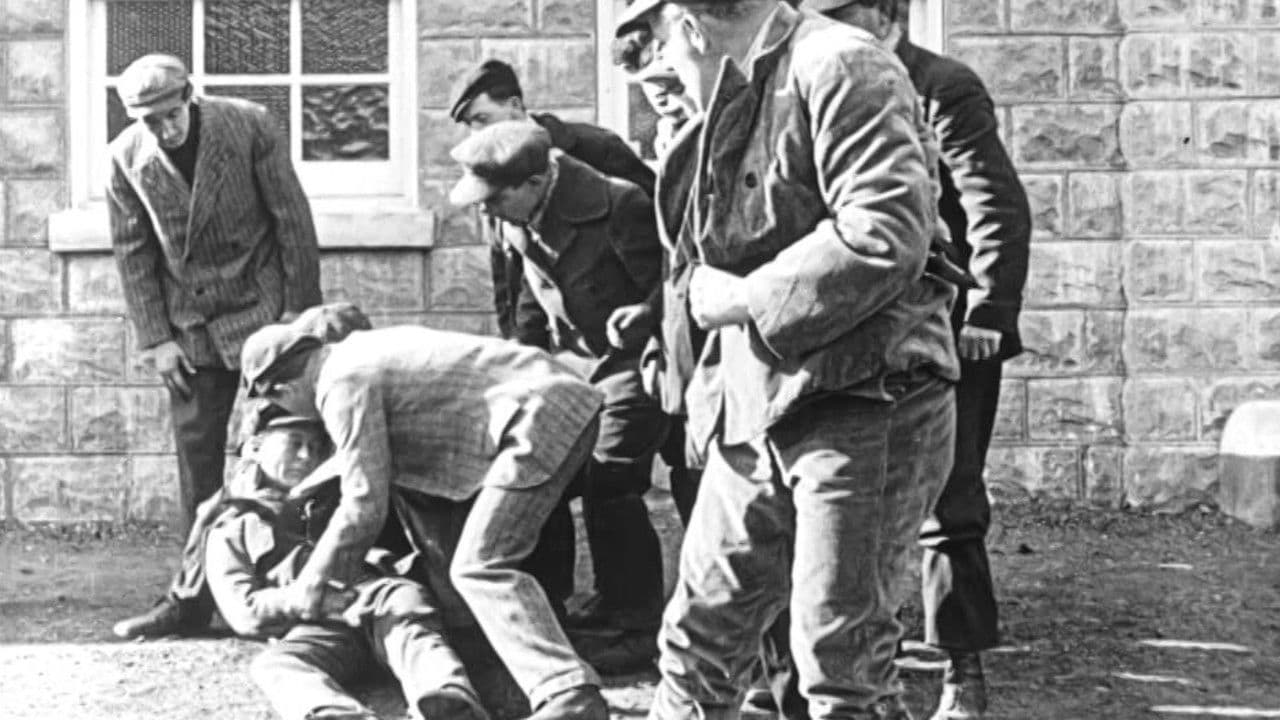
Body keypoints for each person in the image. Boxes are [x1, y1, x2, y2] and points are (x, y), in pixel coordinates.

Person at [613, 0, 960, 718]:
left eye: (662, 43)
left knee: (840, 659)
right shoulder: (729, 93)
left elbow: (883, 231)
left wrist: (743, 298)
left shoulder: (840, 64)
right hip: (757, 401)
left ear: (691, 29)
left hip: (865, 397)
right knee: (698, 640)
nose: (662, 65)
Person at [807, 2, 1032, 718]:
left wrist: (988, 311)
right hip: (859, 327)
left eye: (842, 13)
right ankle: (868, 672)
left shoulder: (941, 86)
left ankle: (963, 674)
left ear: (883, 15)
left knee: (950, 500)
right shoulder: (822, 84)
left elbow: (994, 204)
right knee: (851, 502)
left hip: (948, 328)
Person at [238, 321, 611, 720]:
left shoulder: (341, 383)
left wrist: (312, 582)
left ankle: (570, 695)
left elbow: (363, 503)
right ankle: (509, 681)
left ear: (283, 390)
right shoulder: (358, 351)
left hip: (541, 416)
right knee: (466, 561)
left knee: (481, 566)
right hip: (546, 407)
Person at [106, 52, 322, 635]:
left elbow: (292, 219)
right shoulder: (124, 158)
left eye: (171, 115)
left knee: (285, 454)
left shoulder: (248, 125)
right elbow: (133, 253)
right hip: (192, 329)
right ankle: (192, 599)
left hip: (264, 313)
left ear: (190, 97)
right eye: (149, 121)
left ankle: (294, 587)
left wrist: (297, 315)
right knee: (199, 469)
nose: (164, 130)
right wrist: (157, 339)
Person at [448, 121, 670, 672]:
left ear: (534, 182)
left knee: (610, 479)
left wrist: (646, 313)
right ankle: (551, 606)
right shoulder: (515, 216)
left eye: (495, 198)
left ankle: (635, 622)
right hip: (570, 364)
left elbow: (675, 283)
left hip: (633, 361)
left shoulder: (619, 204)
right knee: (536, 464)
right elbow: (528, 298)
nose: (486, 210)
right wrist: (522, 367)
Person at [112, 304, 371, 640]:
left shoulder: (364, 386)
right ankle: (187, 602)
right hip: (290, 470)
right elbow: (260, 432)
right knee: (219, 511)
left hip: (344, 489)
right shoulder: (290, 381)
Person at [205, 415, 488, 720]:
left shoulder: (346, 497)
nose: (306, 456)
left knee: (413, 627)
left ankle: (447, 702)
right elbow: (243, 612)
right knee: (275, 664)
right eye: (295, 443)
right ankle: (334, 713)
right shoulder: (234, 526)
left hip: (379, 597)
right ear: (255, 447)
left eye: (316, 447)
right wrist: (306, 599)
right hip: (320, 624)